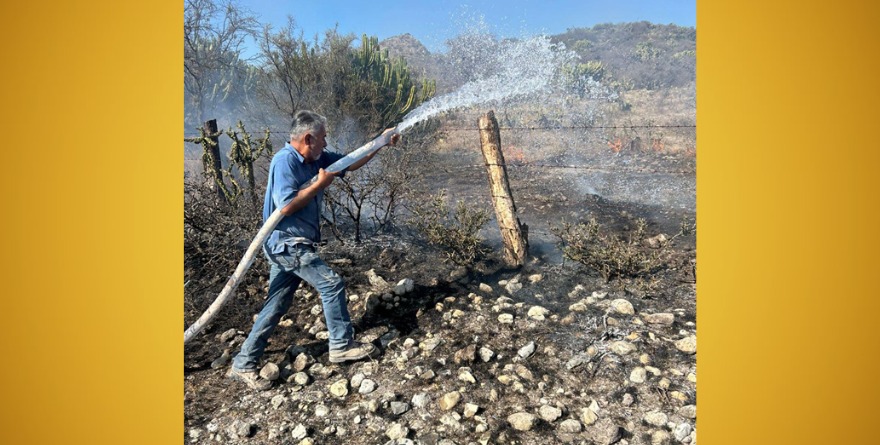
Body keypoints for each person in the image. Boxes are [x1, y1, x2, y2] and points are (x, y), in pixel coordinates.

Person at [228, 110, 400, 390]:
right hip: (287, 244)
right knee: (331, 284)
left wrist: (380, 143)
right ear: (308, 138)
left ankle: (243, 362)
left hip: (292, 243)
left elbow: (350, 161)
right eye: (322, 138)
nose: (326, 143)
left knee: (277, 303)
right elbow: (285, 206)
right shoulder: (285, 161)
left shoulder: (315, 158)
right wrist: (319, 184)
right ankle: (341, 346)